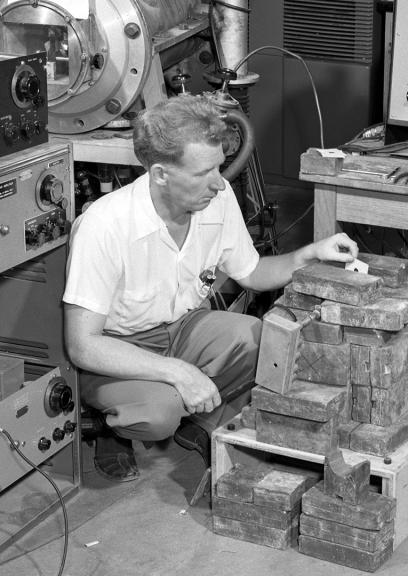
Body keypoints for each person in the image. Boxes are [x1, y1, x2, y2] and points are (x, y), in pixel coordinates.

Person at [63, 94, 359, 482]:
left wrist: (309, 254)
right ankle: (111, 427)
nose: (220, 184)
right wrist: (178, 373)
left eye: (219, 167)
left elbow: (252, 272)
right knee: (158, 413)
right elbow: (83, 345)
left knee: (263, 343)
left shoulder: (214, 203)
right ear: (160, 174)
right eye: (205, 172)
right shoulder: (105, 226)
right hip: (119, 349)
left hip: (184, 328)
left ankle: (199, 422)